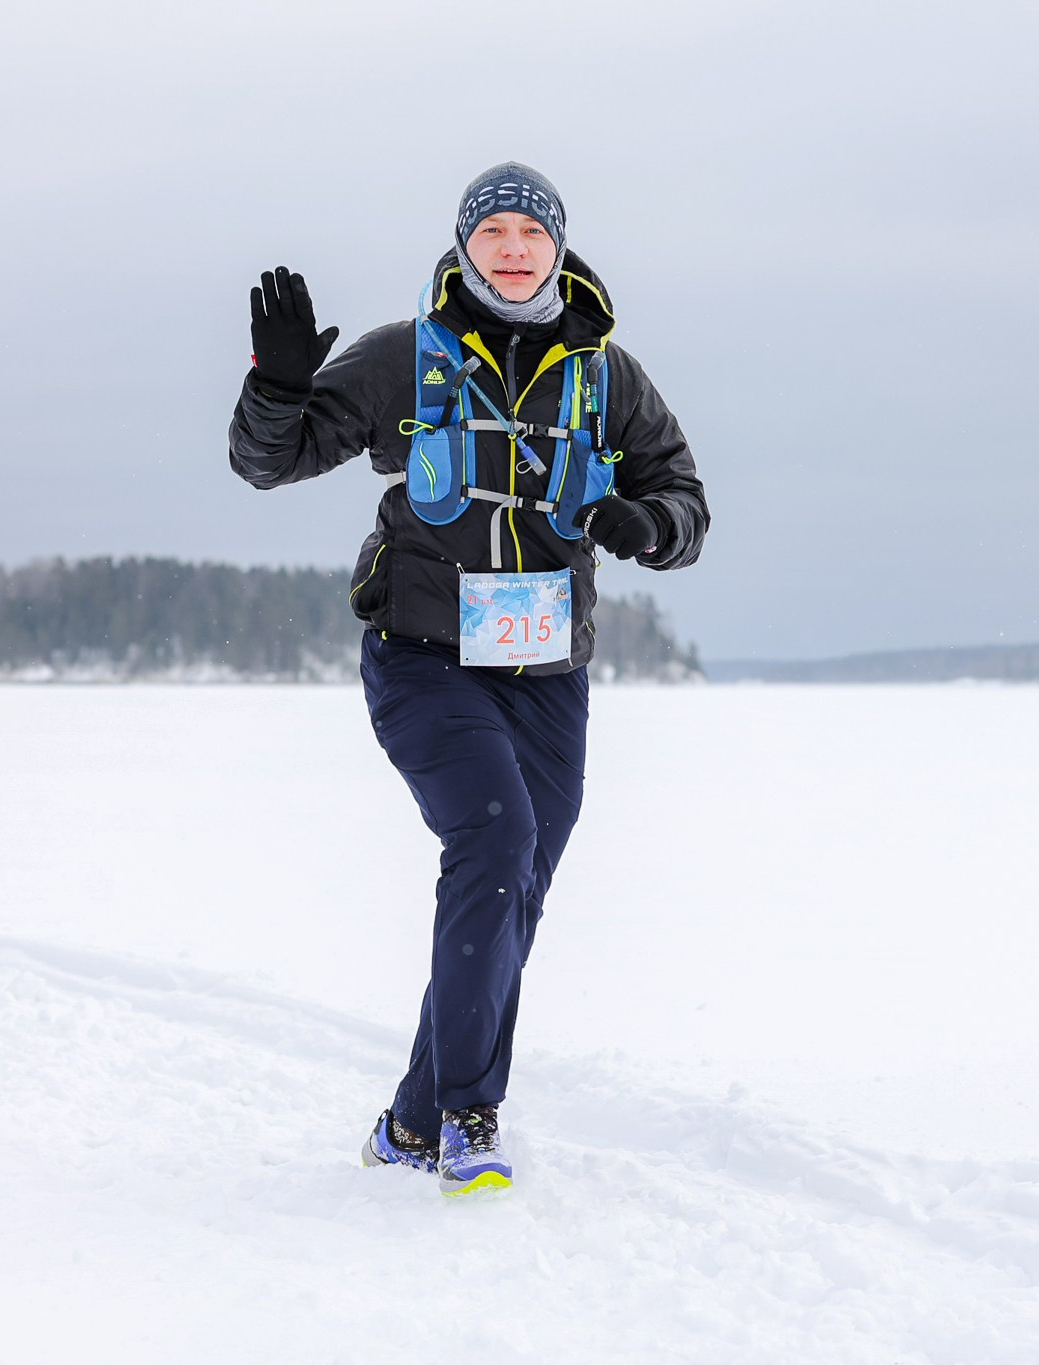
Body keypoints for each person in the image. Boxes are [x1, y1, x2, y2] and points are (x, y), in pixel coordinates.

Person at [228, 163, 709, 1196]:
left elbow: (683, 500)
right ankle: (466, 1118)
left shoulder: (606, 377)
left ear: (558, 247)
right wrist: (274, 387)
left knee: (512, 888)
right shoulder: (407, 359)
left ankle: (405, 1124)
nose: (511, 247)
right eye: (490, 229)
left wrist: (646, 523)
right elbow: (269, 461)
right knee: (493, 839)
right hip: (424, 661)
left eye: (528, 231)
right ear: (462, 245)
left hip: (547, 673)